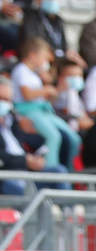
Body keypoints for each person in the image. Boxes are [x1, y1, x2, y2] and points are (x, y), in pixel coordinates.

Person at [13, 38, 81, 168]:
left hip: (43, 111)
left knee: (74, 138)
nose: (46, 62)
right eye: (44, 58)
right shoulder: (21, 70)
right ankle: (51, 172)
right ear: (33, 55)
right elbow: (27, 95)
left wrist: (57, 89)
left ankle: (70, 172)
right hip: (28, 112)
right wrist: (46, 90)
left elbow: (45, 99)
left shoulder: (34, 74)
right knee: (53, 137)